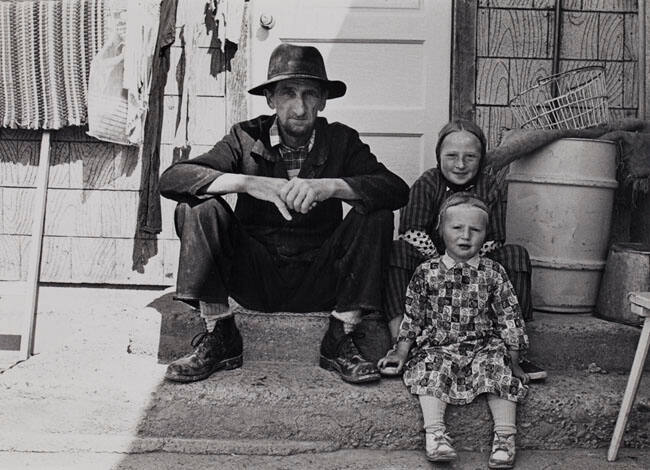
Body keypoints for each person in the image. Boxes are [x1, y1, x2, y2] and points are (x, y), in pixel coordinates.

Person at [158, 43, 409, 385]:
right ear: (271, 99)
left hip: (321, 278)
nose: (300, 107)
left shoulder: (341, 140)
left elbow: (395, 189)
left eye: (310, 95)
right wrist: (247, 183)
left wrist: (331, 187)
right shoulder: (245, 137)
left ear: (323, 101)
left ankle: (341, 336)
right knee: (196, 205)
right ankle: (220, 333)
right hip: (255, 277)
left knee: (377, 213)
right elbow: (173, 179)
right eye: (288, 93)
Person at [383, 118, 546, 380]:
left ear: (481, 158)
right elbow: (412, 232)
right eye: (452, 156)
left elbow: (494, 239)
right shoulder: (427, 183)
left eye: (470, 157)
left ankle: (514, 351)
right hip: (430, 268)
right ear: (439, 155)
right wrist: (443, 265)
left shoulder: (489, 186)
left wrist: (466, 263)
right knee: (396, 250)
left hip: (476, 267)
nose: (460, 164)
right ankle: (400, 345)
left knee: (515, 255)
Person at [378, 193, 529, 469]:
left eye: (475, 230)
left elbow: (509, 316)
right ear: (441, 230)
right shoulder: (426, 272)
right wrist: (401, 350)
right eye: (457, 228)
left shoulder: (493, 273)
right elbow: (414, 315)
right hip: (439, 345)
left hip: (483, 345)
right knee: (430, 369)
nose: (465, 236)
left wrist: (515, 361)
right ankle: (435, 434)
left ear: (485, 235)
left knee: (498, 370)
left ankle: (505, 436)